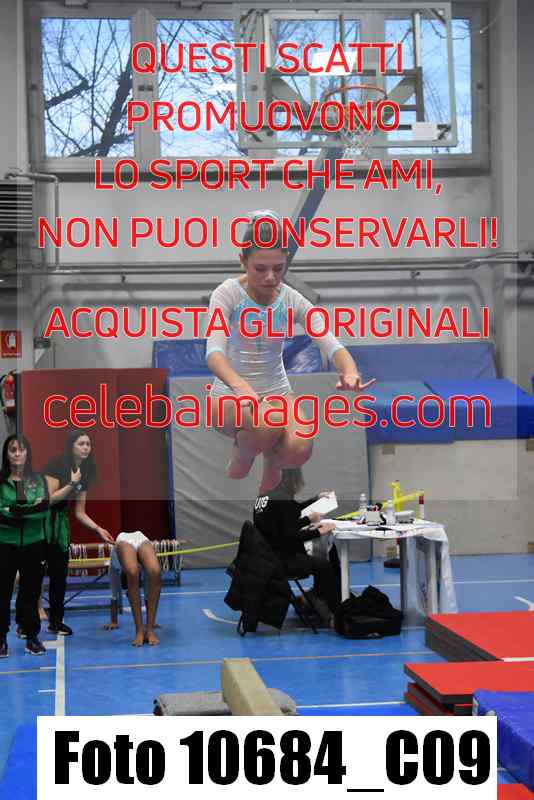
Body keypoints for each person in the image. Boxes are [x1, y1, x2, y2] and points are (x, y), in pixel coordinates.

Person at [206, 210, 375, 493]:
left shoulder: (291, 299)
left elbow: (330, 342)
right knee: (269, 422)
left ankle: (272, 460)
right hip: (229, 396)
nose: (270, 277)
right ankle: (244, 451)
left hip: (277, 392)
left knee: (299, 449)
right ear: (242, 261)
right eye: (260, 269)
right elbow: (214, 353)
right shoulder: (228, 294)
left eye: (278, 268)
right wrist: (240, 386)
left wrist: (350, 371)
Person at [42, 431, 114, 636]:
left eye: (88, 444)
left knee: (59, 576)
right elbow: (50, 499)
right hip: (41, 521)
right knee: (34, 574)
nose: (85, 448)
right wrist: (72, 483)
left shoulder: (86, 470)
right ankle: (25, 622)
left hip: (61, 526)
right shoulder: (56, 464)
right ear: (71, 446)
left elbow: (80, 512)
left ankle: (55, 622)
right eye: (81, 443)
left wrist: (98, 529)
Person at [253, 467, 341, 625]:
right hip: (280, 561)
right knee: (324, 565)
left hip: (266, 557)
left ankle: (314, 598)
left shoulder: (265, 496)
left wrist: (315, 502)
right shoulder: (282, 499)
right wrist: (318, 532)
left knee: (323, 557)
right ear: (291, 480)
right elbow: (289, 537)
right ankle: (334, 610)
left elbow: (287, 519)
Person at [0, 435, 49, 657]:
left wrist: (14, 511)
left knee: (31, 592)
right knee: (2, 593)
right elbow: (1, 514)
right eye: (13, 450)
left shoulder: (37, 480)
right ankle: (1, 639)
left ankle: (31, 637)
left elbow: (43, 511)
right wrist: (28, 509)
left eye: (21, 449)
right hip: (5, 544)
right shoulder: (1, 481)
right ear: (6, 454)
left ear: (28, 453)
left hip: (33, 544)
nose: (17, 453)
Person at [103, 531, 161, 647]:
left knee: (155, 572)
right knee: (133, 572)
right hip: (124, 543)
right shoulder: (121, 568)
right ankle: (139, 630)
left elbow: (114, 595)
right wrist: (114, 621)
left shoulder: (113, 567)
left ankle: (149, 630)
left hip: (138, 537)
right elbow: (114, 595)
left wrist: (151, 624)